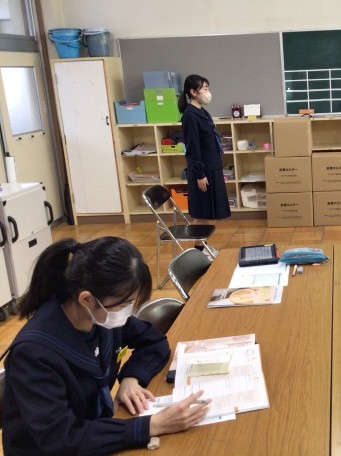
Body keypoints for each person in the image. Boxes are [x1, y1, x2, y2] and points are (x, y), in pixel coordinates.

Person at [2, 237, 210, 455]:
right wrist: (152, 425)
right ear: (86, 299)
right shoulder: (34, 354)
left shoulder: (99, 316)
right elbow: (61, 438)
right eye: (124, 304)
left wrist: (132, 378)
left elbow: (154, 340)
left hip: (96, 435)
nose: (127, 311)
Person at [178, 74, 231, 224]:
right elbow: (192, 148)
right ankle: (199, 240)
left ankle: (202, 239)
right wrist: (200, 174)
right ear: (193, 92)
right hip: (203, 171)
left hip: (212, 167)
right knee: (202, 213)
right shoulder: (190, 116)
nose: (208, 92)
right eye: (205, 89)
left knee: (207, 212)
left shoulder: (202, 112)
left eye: (208, 89)